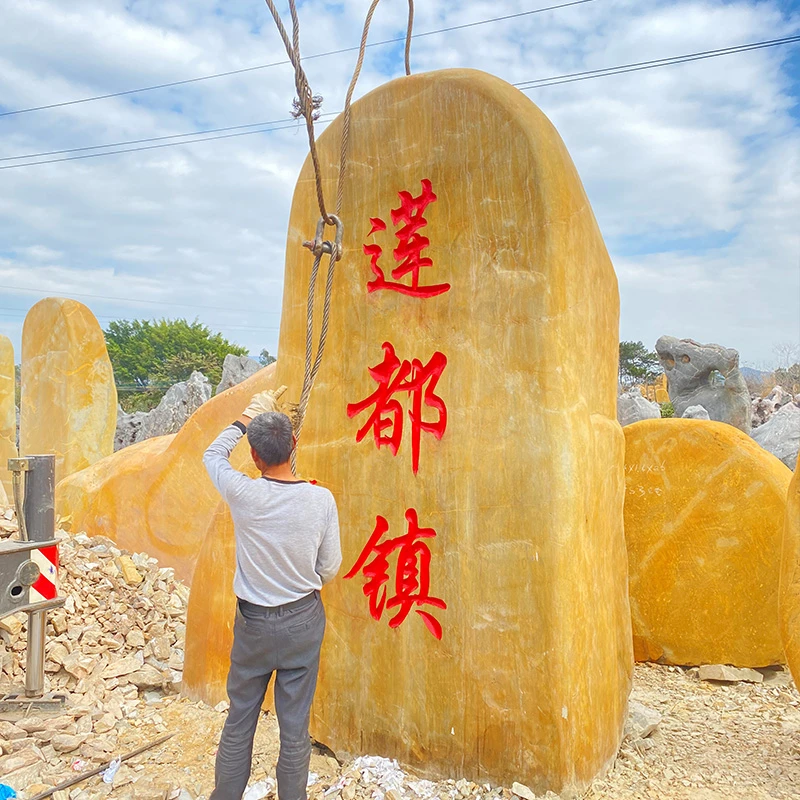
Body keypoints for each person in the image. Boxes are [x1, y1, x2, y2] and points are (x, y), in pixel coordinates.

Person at [203, 390, 342, 800]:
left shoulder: (244, 494)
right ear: (293, 445)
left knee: (241, 718)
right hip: (303, 620)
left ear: (254, 456)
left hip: (254, 625)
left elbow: (212, 455)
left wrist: (247, 415)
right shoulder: (320, 500)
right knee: (295, 726)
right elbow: (330, 567)